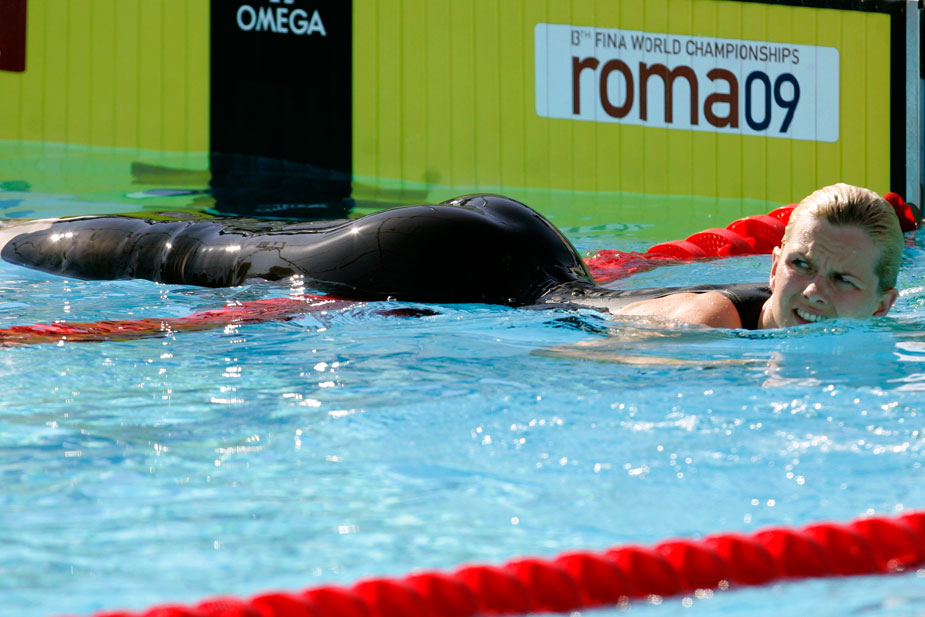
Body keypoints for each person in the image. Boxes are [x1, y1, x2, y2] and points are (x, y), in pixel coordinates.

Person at [0, 183, 905, 330]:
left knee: (224, 241)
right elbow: (563, 364)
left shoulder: (798, 330)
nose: (811, 290)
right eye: (800, 264)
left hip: (524, 247)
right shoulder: (708, 324)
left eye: (839, 278)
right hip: (448, 262)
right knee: (200, 258)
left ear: (884, 303)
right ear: (773, 258)